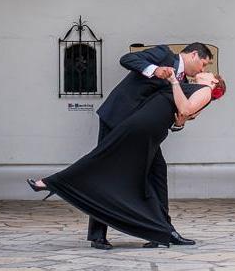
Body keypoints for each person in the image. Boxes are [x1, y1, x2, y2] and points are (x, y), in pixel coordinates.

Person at [27, 43, 219, 249]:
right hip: (117, 117)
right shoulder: (164, 54)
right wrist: (155, 70)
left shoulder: (182, 81)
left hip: (142, 130)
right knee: (102, 170)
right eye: (203, 64)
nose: (202, 70)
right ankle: (97, 234)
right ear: (193, 55)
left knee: (158, 173)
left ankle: (163, 231)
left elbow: (173, 111)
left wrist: (179, 123)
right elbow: (126, 60)